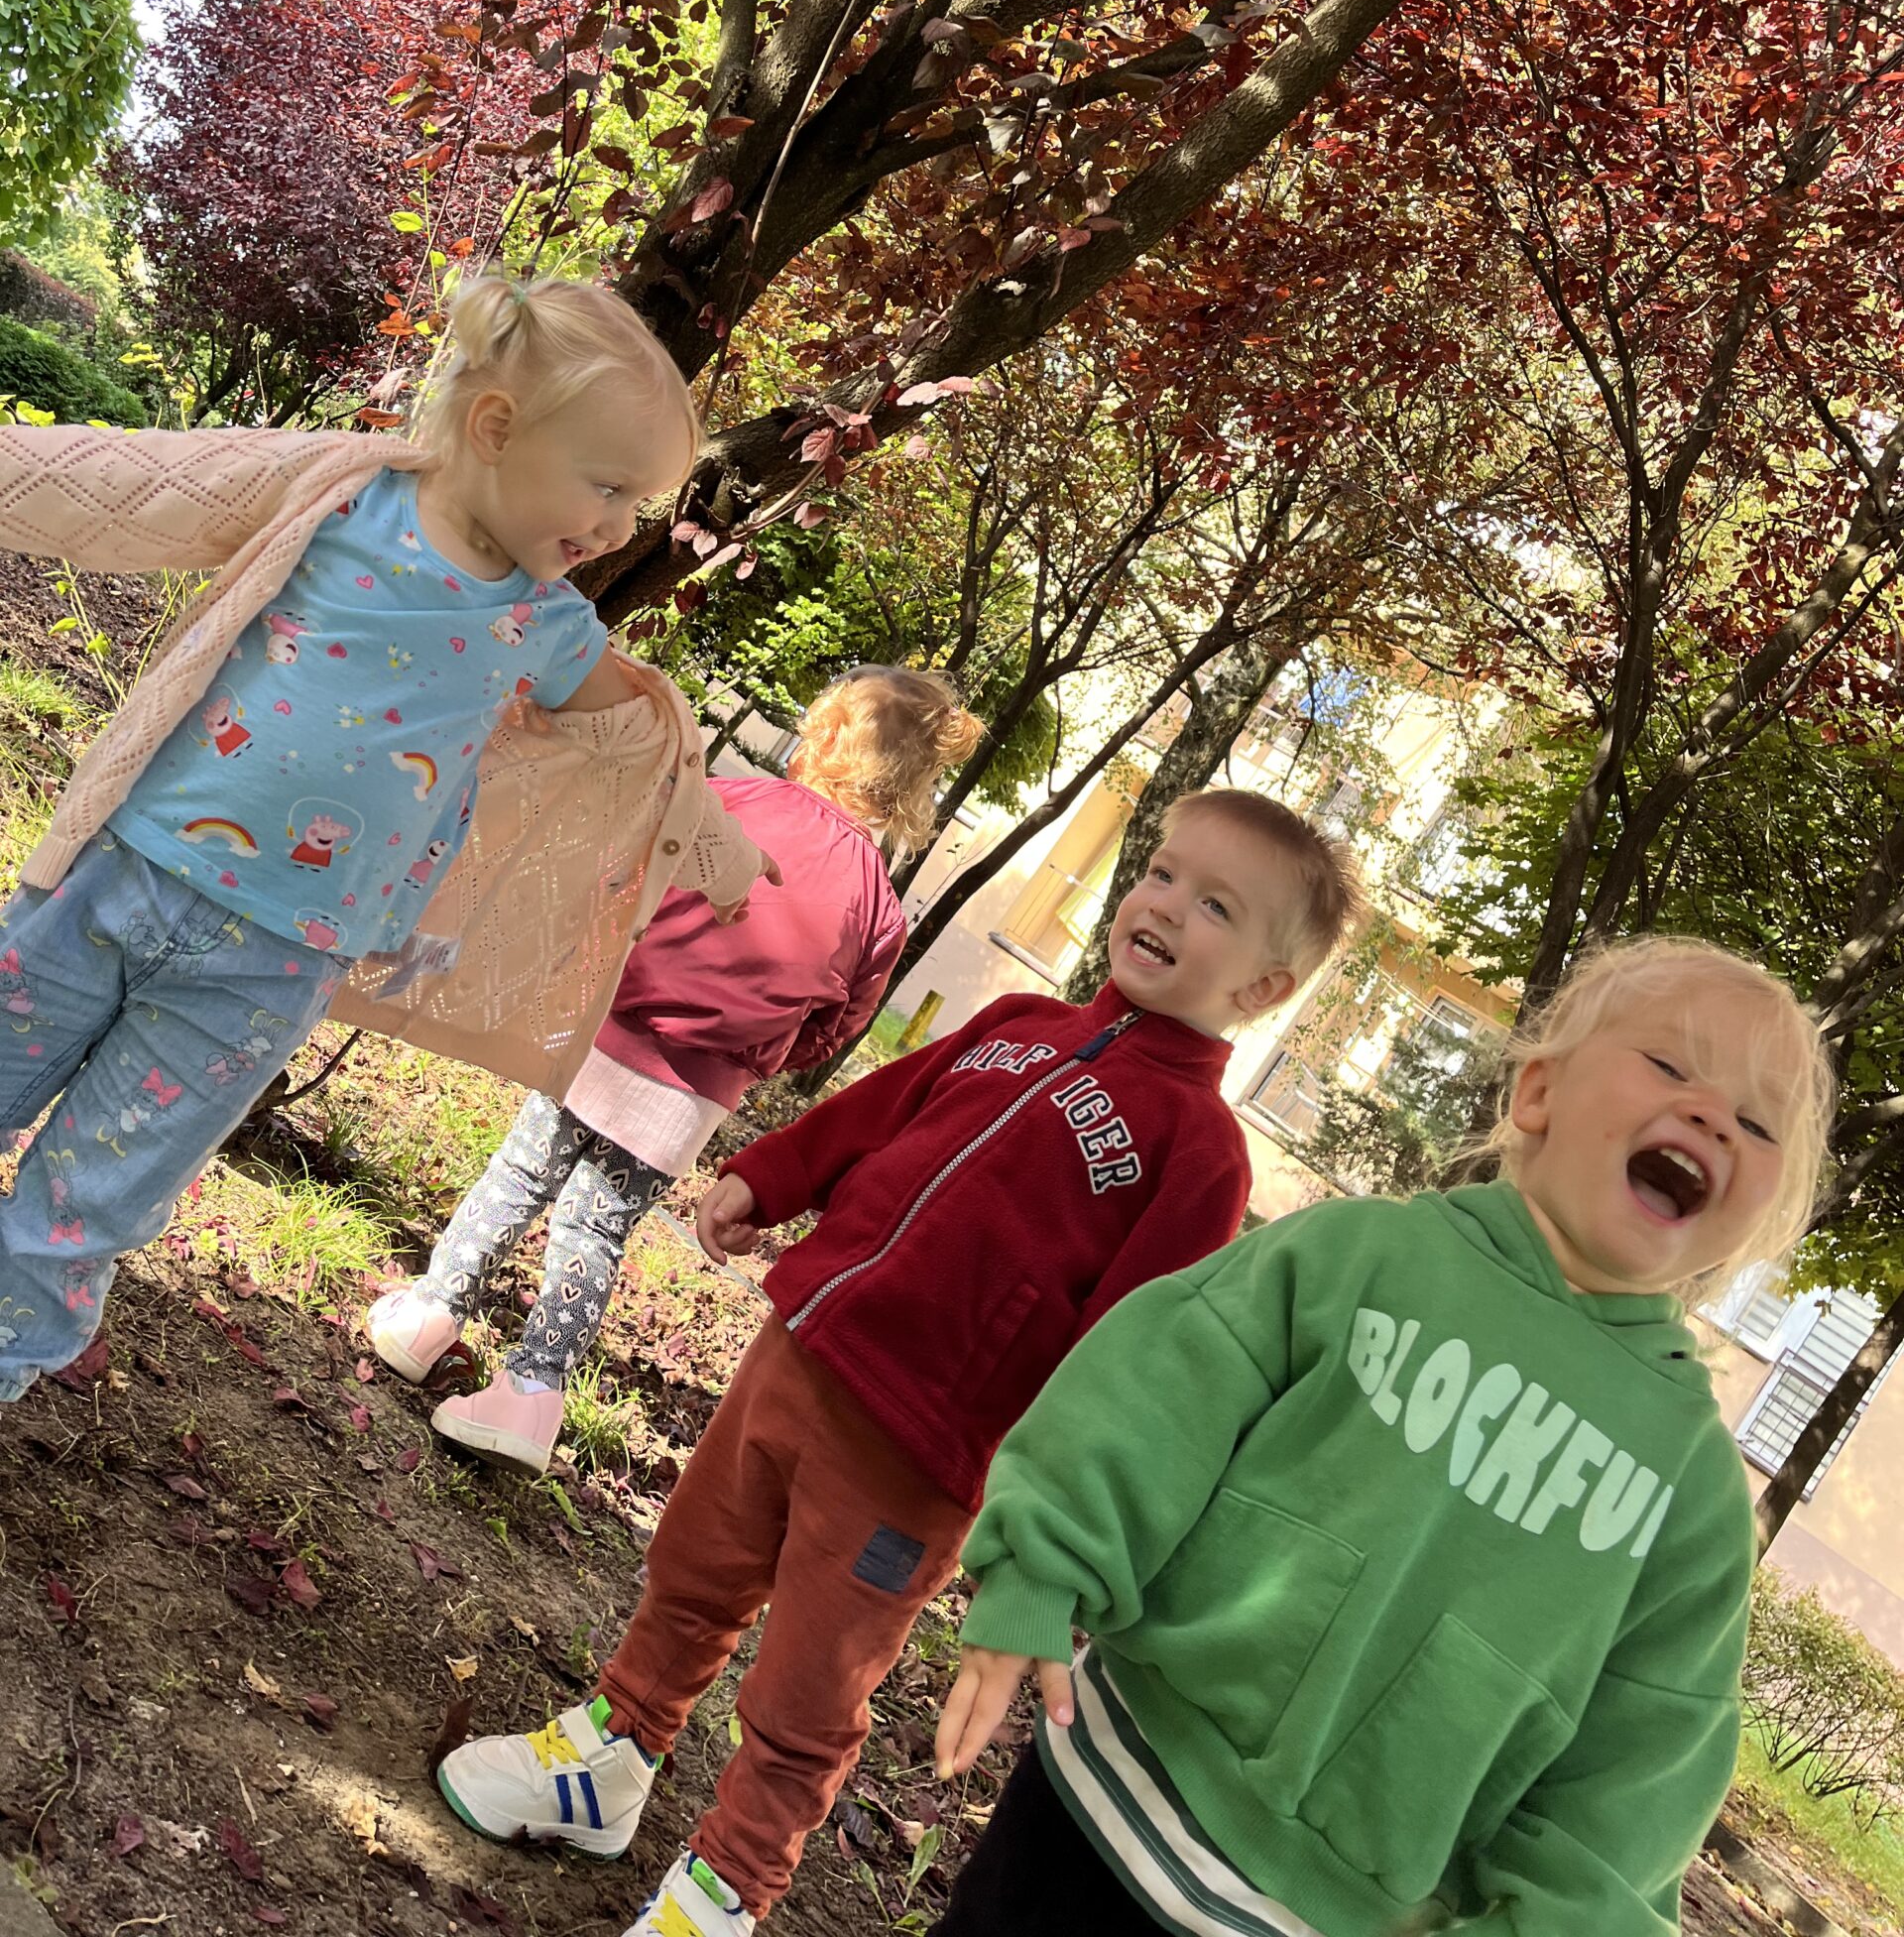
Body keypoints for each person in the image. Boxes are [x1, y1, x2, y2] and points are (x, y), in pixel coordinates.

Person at [434, 788, 1364, 1937]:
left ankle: (724, 1889)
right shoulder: (1021, 1022)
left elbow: (1135, 1357)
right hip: (800, 1352)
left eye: (1215, 904)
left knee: (811, 1685)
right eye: (1163, 872)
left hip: (919, 1456)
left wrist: (1056, 1518)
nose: (1165, 903)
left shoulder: (1200, 1152)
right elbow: (883, 1107)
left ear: (1264, 988)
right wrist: (774, 1173)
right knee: (695, 1565)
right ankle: (610, 1757)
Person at [927, 933, 1835, 1937]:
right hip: (1110, 1782)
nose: (1711, 1115)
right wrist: (1043, 1565)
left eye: (1757, 1123)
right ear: (1538, 1093)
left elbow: (1644, 1762)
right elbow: (1159, 1390)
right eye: (1669, 1065)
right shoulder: (1363, 1255)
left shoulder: (1694, 1495)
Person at [0, 274, 774, 1398]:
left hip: (272, 967)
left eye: (637, 505)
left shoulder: (547, 625)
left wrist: (724, 855)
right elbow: (131, 480)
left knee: (86, 1209)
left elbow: (644, 747)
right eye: (608, 487)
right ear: (496, 428)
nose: (620, 528)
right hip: (121, 875)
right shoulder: (339, 494)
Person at [366, 664, 984, 1474]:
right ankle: (530, 1395)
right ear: (914, 787)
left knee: (520, 1175)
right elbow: (834, 1030)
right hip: (694, 1093)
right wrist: (750, 1063)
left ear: (824, 738)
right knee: (596, 1226)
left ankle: (430, 1316)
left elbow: (630, 874)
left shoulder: (739, 803)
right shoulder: (880, 910)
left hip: (610, 1028)